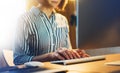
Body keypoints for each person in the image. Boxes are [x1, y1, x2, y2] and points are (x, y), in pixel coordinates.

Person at [13, 0, 89, 65]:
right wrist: (49, 56)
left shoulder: (63, 20)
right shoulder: (24, 20)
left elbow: (67, 51)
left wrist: (74, 54)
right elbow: (18, 59)